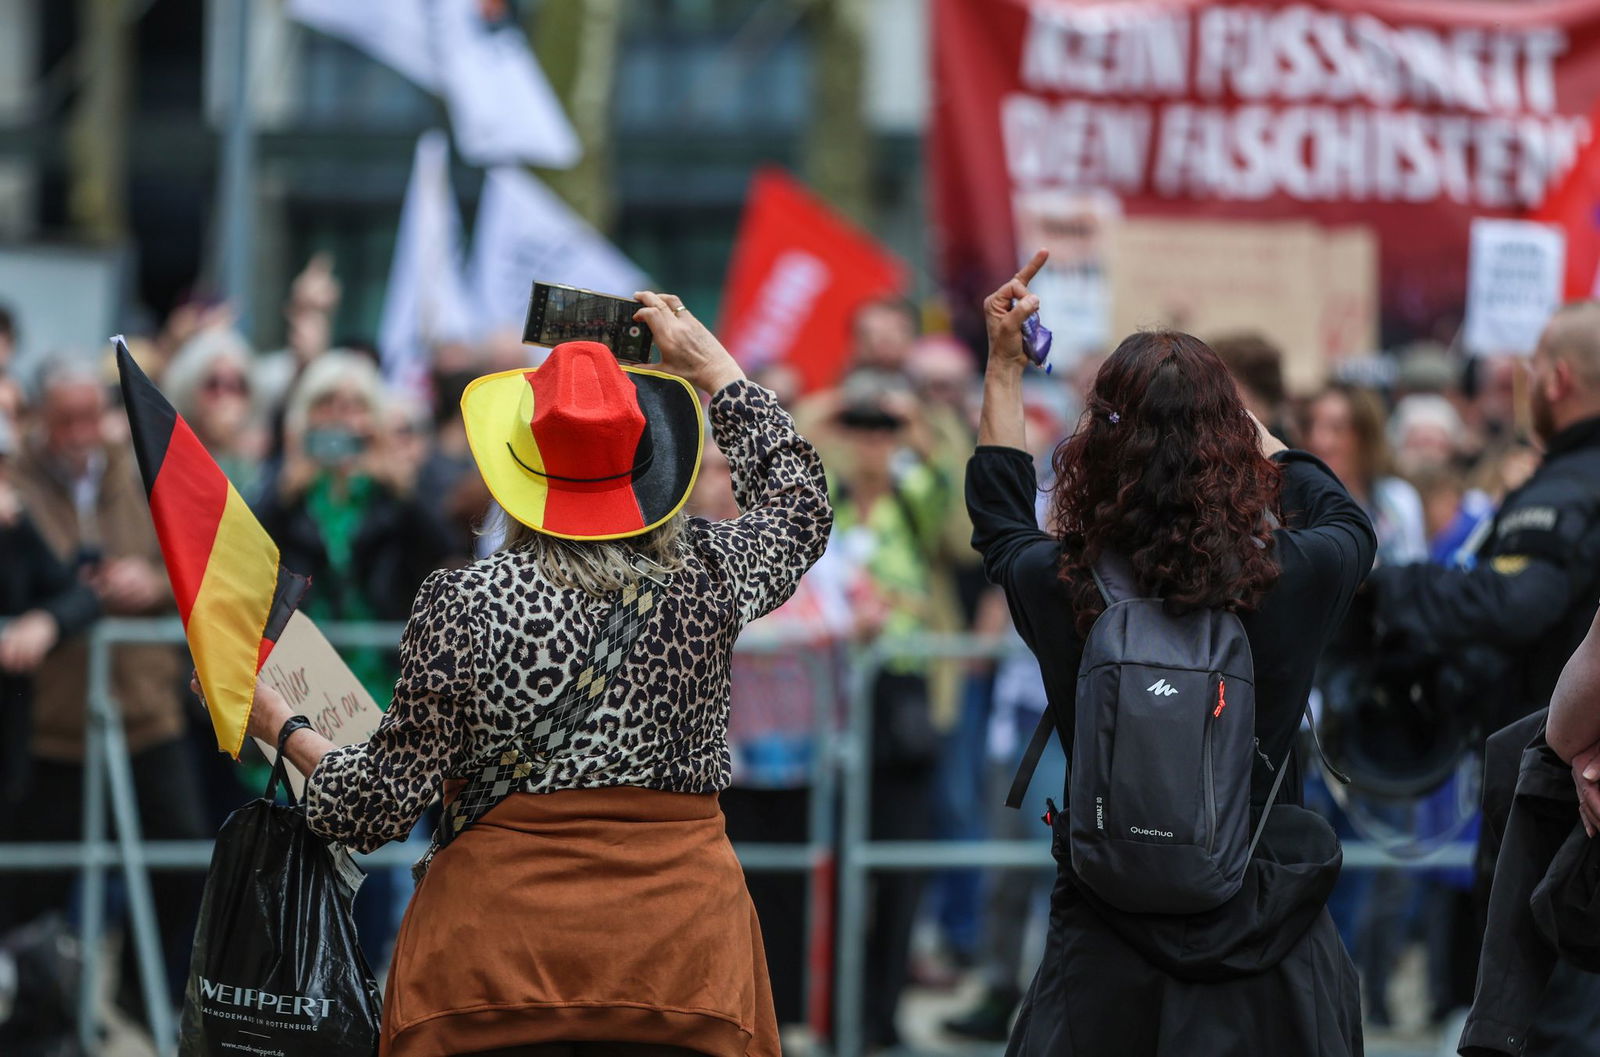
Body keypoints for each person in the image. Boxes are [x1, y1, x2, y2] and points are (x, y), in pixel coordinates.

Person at [215, 292, 831, 1057]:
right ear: (649, 461)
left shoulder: (463, 601)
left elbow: (376, 807)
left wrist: (280, 725)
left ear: (520, 464)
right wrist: (714, 368)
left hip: (493, 969)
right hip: (682, 965)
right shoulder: (708, 573)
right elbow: (802, 505)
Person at [967, 251, 1374, 1057]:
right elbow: (1348, 523)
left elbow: (1000, 518)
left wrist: (1005, 366)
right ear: (1231, 443)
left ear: (1096, 447)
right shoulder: (1293, 575)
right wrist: (1245, 428)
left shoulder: (1061, 582)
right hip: (1267, 951)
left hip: (1103, 959)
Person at [1369, 300, 1600, 1054]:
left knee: (1548, 1028)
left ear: (1556, 379)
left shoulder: (1570, 488)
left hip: (1560, 810)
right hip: (1560, 794)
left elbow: (1513, 603)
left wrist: (1390, 589)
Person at [7, 359, 206, 1017]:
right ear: (39, 420)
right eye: (64, 420)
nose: (80, 433)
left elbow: (191, 554)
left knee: (182, 857)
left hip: (146, 708)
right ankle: (41, 1015)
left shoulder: (139, 465)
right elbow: (31, 578)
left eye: (90, 416)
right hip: (55, 721)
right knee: (34, 881)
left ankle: (137, 991)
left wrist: (152, 580)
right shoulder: (16, 482)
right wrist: (75, 594)